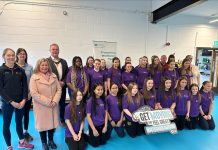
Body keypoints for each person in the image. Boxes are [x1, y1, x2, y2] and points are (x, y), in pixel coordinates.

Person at [0, 48, 34, 150]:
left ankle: (22, 142)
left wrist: (24, 99)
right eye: (8, 55)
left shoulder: (21, 70)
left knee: (19, 121)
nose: (11, 57)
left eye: (12, 55)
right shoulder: (1, 71)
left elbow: (25, 86)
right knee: (6, 124)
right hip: (7, 102)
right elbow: (0, 89)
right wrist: (11, 102)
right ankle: (9, 146)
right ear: (4, 56)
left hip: (20, 102)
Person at [30, 58, 62, 150]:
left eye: (46, 65)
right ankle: (44, 143)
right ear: (39, 66)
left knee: (52, 124)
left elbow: (59, 89)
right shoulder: (34, 77)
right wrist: (48, 102)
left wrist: (55, 101)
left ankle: (51, 140)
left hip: (53, 105)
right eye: (42, 65)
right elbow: (34, 93)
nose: (44, 67)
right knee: (42, 126)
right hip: (41, 106)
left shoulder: (53, 75)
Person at [47, 43, 68, 126]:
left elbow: (67, 73)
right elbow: (45, 73)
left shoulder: (63, 61)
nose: (55, 51)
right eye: (53, 49)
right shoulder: (46, 61)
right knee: (51, 104)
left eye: (56, 49)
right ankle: (52, 121)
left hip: (62, 87)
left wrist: (63, 82)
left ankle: (62, 120)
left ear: (59, 51)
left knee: (62, 104)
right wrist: (56, 82)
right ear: (50, 51)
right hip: (51, 87)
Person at [16, 48, 34, 141]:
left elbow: (32, 81)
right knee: (19, 115)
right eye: (20, 54)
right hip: (17, 96)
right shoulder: (14, 67)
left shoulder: (30, 67)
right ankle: (20, 134)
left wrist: (30, 93)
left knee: (26, 114)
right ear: (17, 55)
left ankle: (26, 131)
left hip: (27, 95)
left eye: (24, 54)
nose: (22, 55)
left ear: (26, 56)